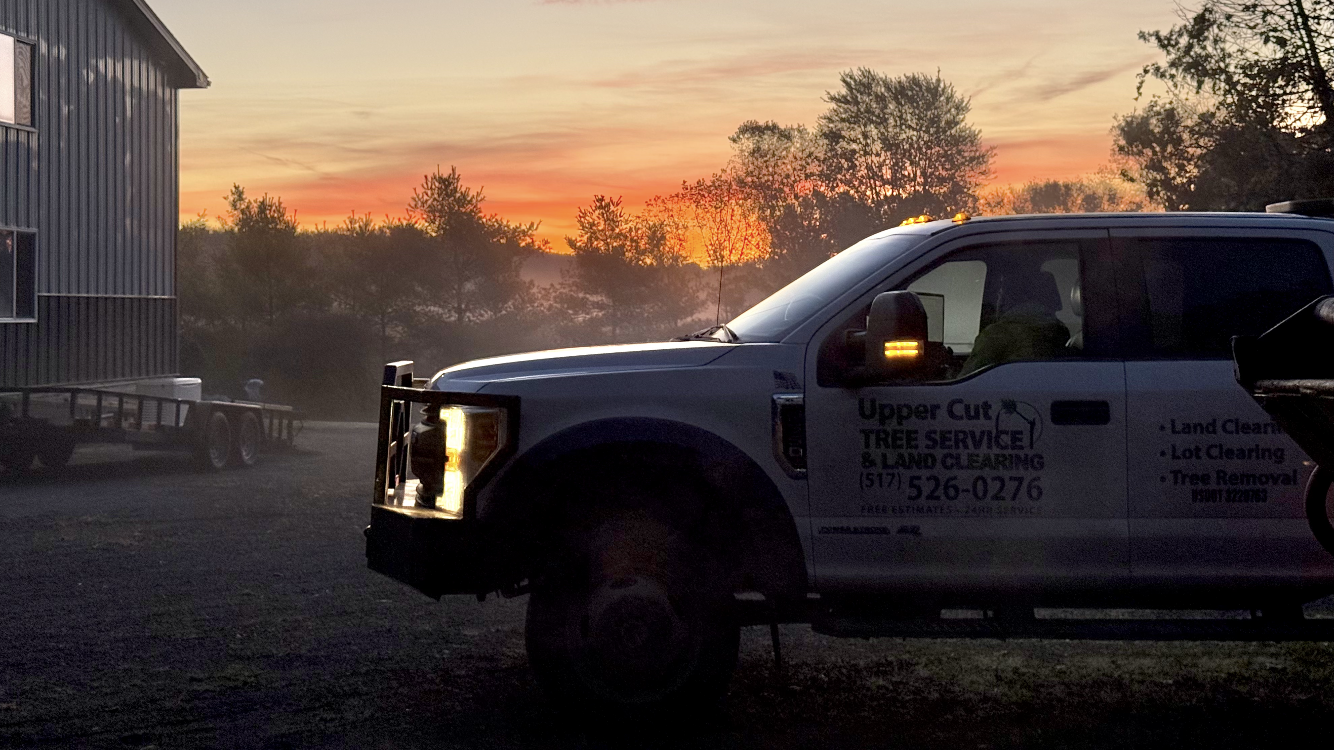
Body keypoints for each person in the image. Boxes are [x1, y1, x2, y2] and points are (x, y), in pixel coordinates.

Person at [960, 267, 1069, 375]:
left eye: (999, 293)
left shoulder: (996, 336)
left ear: (1007, 297)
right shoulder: (1057, 332)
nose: (998, 300)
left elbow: (963, 383)